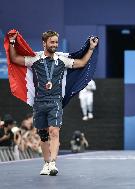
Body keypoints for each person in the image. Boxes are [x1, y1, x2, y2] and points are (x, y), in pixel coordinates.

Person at [8, 30, 98, 176]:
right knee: (43, 135)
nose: (55, 45)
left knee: (54, 131)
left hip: (55, 101)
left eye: (56, 42)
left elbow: (81, 63)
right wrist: (12, 42)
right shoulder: (34, 59)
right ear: (44, 43)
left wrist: (91, 48)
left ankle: (53, 163)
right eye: (52, 42)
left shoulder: (62, 60)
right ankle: (46, 163)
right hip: (39, 102)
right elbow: (14, 58)